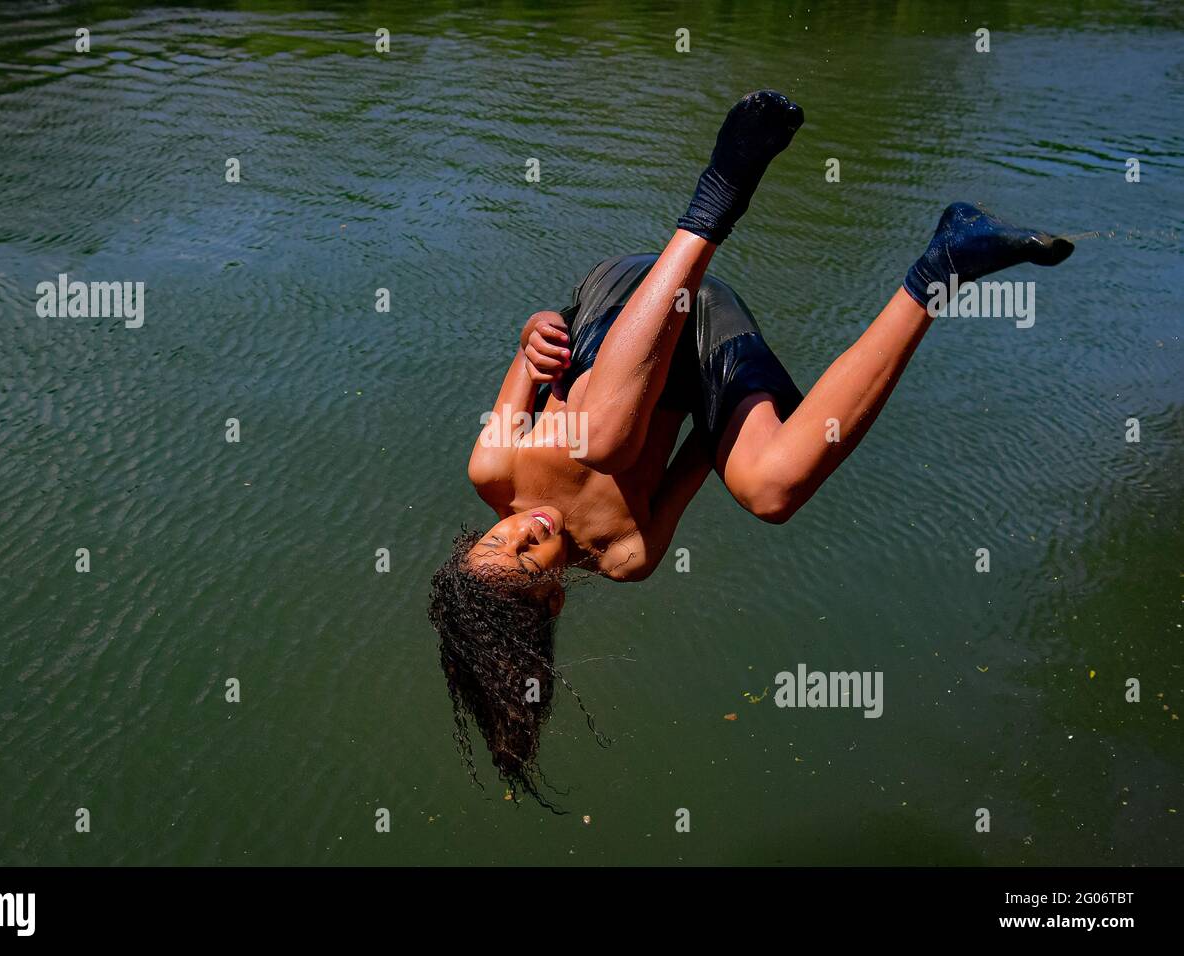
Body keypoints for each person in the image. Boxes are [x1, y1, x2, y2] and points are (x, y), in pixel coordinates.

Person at [428, 90, 1074, 804]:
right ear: (552, 602)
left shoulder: (493, 467)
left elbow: (536, 342)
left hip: (625, 299)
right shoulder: (626, 554)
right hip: (703, 335)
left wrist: (532, 335)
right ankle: (945, 262)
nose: (527, 533)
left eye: (502, 540)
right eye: (531, 562)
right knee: (769, 491)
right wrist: (762, 438)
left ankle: (721, 190)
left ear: (474, 540)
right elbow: (704, 450)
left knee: (604, 439)